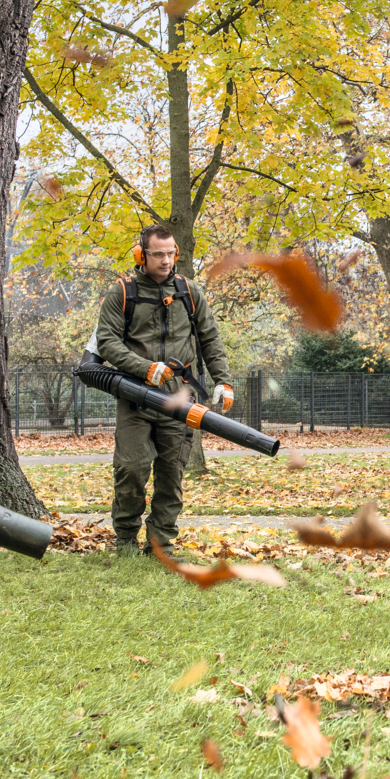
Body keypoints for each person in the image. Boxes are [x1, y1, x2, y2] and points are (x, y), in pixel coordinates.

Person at [94, 224, 233, 556]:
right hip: (135, 397)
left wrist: (223, 381)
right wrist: (145, 368)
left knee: (171, 476)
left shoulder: (189, 291)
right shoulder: (122, 293)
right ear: (141, 255)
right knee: (130, 468)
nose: (167, 260)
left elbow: (211, 339)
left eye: (171, 253)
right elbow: (107, 342)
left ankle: (160, 544)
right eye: (158, 254)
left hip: (180, 398)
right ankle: (126, 539)